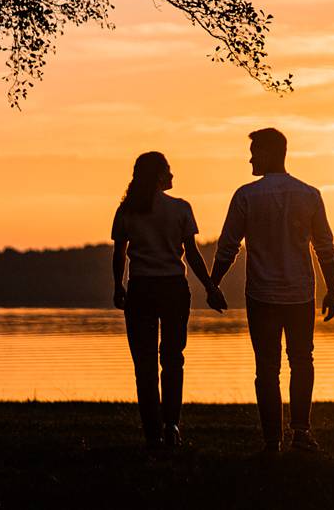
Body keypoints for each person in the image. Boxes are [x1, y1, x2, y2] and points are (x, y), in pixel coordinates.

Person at [209, 127, 334, 453]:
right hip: (300, 293)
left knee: (267, 367)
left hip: (262, 294)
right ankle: (300, 432)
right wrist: (332, 289)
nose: (250, 158)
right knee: (301, 360)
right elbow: (325, 247)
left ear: (268, 153)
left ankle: (272, 441)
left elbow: (228, 246)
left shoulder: (246, 196)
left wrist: (214, 283)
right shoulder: (309, 195)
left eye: (254, 152)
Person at [110, 150, 221, 450]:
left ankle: (152, 433)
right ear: (159, 175)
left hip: (141, 290)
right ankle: (171, 425)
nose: (173, 176)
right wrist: (210, 287)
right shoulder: (181, 209)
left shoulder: (127, 211)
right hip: (173, 289)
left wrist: (118, 287)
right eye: (169, 170)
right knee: (173, 360)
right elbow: (193, 256)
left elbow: (119, 253)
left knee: (144, 365)